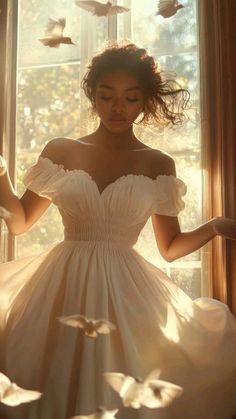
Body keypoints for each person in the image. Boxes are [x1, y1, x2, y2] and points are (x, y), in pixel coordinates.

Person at [0, 42, 236, 419]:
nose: (118, 107)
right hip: (58, 289)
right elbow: (20, 222)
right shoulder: (61, 150)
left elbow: (170, 247)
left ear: (145, 102)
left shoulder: (159, 163)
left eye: (130, 97)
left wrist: (215, 227)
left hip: (126, 292)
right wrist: (1, 174)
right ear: (93, 96)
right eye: (107, 96)